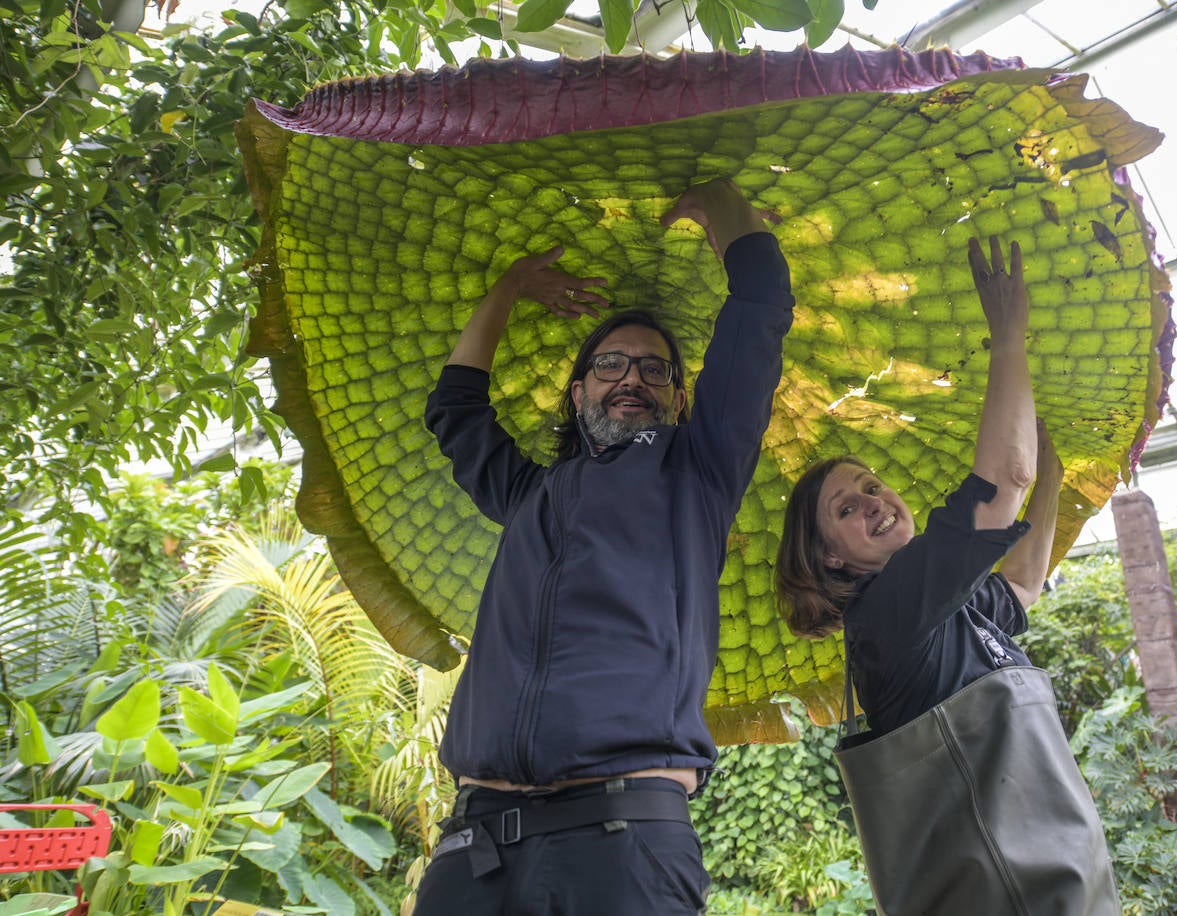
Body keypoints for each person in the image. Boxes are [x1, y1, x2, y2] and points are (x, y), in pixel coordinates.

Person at [414, 177, 793, 915]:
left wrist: (721, 206)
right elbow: (455, 406)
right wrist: (511, 286)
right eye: (612, 364)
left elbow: (759, 311)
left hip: (620, 840)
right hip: (476, 846)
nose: (633, 378)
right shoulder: (526, 496)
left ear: (680, 401)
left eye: (656, 369)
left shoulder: (700, 472)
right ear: (578, 391)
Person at [774, 237, 1121, 915]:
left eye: (872, 485)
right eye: (848, 508)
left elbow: (1020, 585)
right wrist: (1009, 335)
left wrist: (1053, 468)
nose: (876, 501)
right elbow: (1002, 484)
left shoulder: (946, 609)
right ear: (831, 561)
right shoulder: (889, 615)